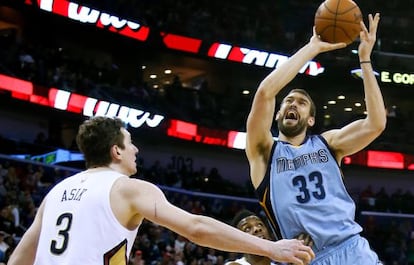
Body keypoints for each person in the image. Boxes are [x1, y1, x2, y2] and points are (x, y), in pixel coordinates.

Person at [8, 116, 315, 265]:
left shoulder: (56, 192)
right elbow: (195, 227)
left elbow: (19, 260)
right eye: (130, 143)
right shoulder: (128, 189)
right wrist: (272, 248)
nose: (136, 149)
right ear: (116, 151)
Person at [245, 13, 385, 265]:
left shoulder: (328, 143)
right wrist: (312, 48)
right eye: (288, 100)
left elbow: (375, 124)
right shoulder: (264, 152)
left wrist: (364, 58)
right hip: (305, 259)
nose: (292, 104)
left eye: (301, 102)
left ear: (310, 119)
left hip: (352, 249)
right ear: (278, 113)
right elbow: (266, 92)